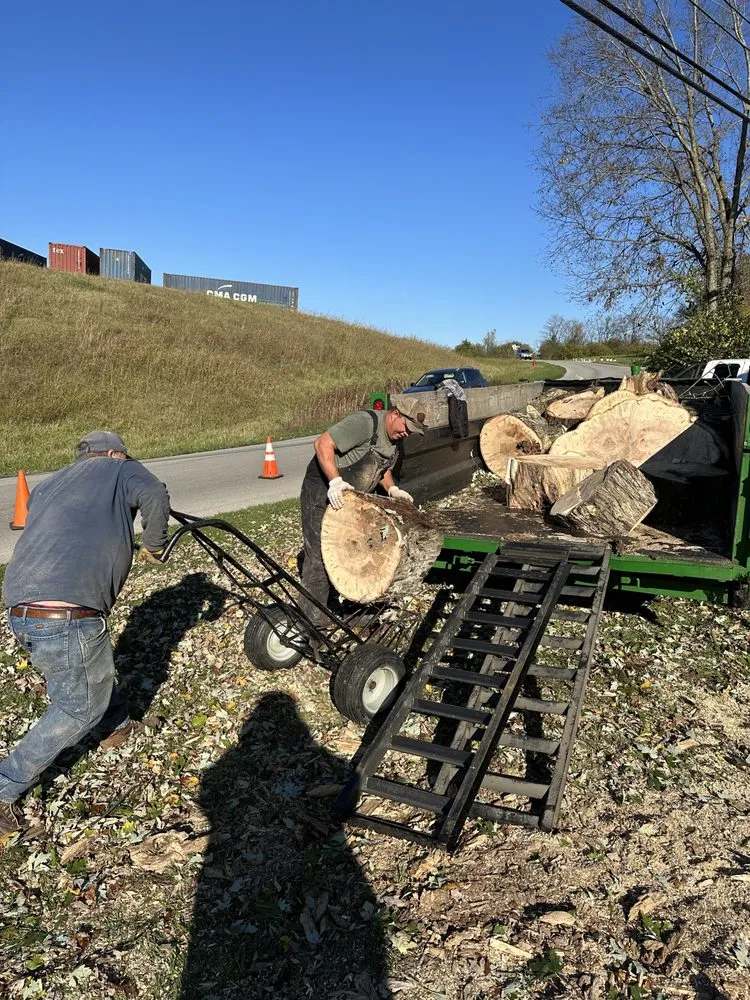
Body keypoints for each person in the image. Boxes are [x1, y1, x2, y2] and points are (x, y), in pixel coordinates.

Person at [0, 431, 171, 838]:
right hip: (67, 612)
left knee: (89, 671)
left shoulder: (51, 484)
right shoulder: (120, 468)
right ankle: (5, 787)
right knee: (78, 707)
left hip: (21, 608)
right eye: (124, 455)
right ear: (112, 453)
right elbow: (155, 494)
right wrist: (154, 543)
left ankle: (116, 727)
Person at [299, 399, 428, 624]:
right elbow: (322, 443)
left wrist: (392, 489)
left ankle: (344, 611)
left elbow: (382, 469)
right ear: (395, 414)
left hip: (351, 504)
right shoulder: (364, 423)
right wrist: (335, 481)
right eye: (406, 427)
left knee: (351, 555)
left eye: (411, 432)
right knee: (319, 559)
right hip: (322, 494)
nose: (406, 434)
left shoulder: (394, 441)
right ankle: (311, 624)